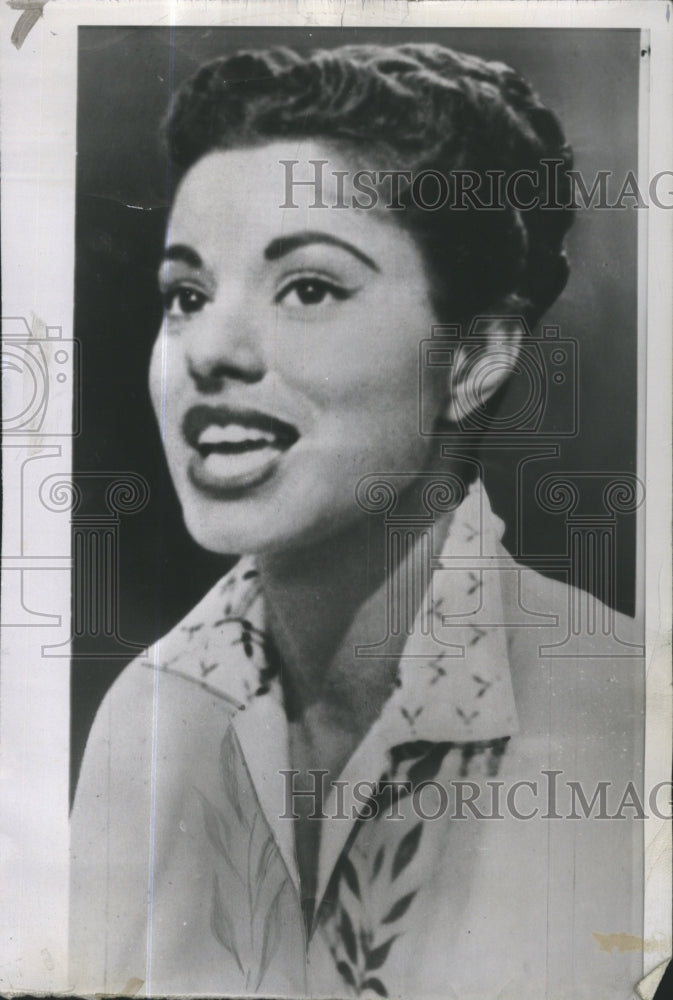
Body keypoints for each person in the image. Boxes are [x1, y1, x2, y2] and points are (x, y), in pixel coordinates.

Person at [70, 43, 644, 999]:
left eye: (309, 288)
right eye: (187, 295)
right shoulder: (147, 717)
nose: (207, 349)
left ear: (475, 359)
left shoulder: (628, 722)